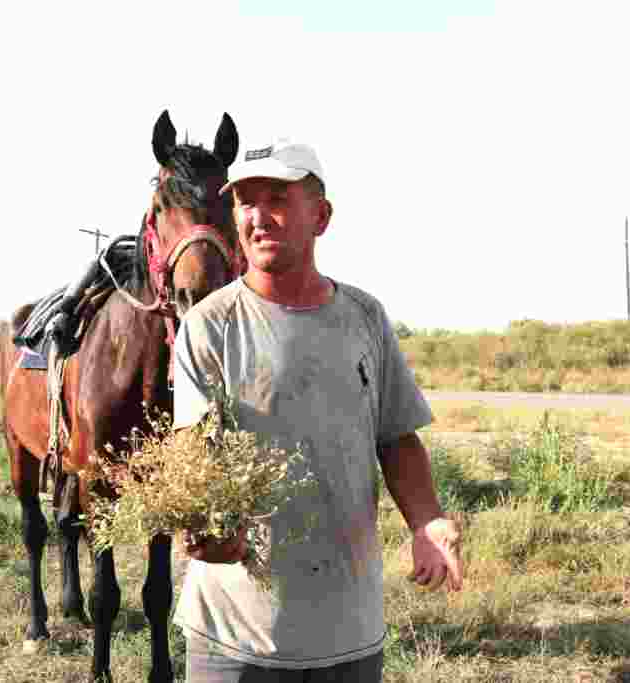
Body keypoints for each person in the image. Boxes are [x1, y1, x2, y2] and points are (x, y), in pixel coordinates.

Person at [171, 137, 464, 682]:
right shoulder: (209, 325)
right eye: (245, 202)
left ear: (321, 217)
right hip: (236, 636)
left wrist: (426, 522)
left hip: (347, 630)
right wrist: (203, 520)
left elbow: (396, 436)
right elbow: (192, 447)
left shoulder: (364, 317)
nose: (258, 217)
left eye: (277, 199)